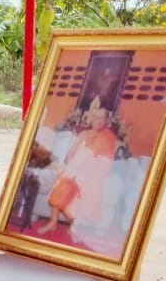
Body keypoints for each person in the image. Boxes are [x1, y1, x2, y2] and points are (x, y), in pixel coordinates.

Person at [36, 99, 119, 236]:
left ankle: (74, 226)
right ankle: (53, 222)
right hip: (75, 170)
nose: (100, 121)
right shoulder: (84, 134)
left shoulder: (108, 139)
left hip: (90, 175)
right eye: (97, 118)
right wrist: (69, 169)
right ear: (91, 118)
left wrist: (86, 176)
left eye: (103, 118)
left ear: (107, 120)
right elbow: (71, 154)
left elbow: (105, 164)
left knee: (85, 191)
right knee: (61, 184)